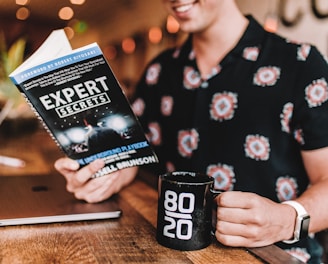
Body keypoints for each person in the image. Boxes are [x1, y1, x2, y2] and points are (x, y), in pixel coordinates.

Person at [55, 0, 328, 262]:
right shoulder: (159, 71)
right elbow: (142, 156)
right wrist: (110, 174)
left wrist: (287, 219)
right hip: (174, 253)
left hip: (276, 255)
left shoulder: (301, 63)